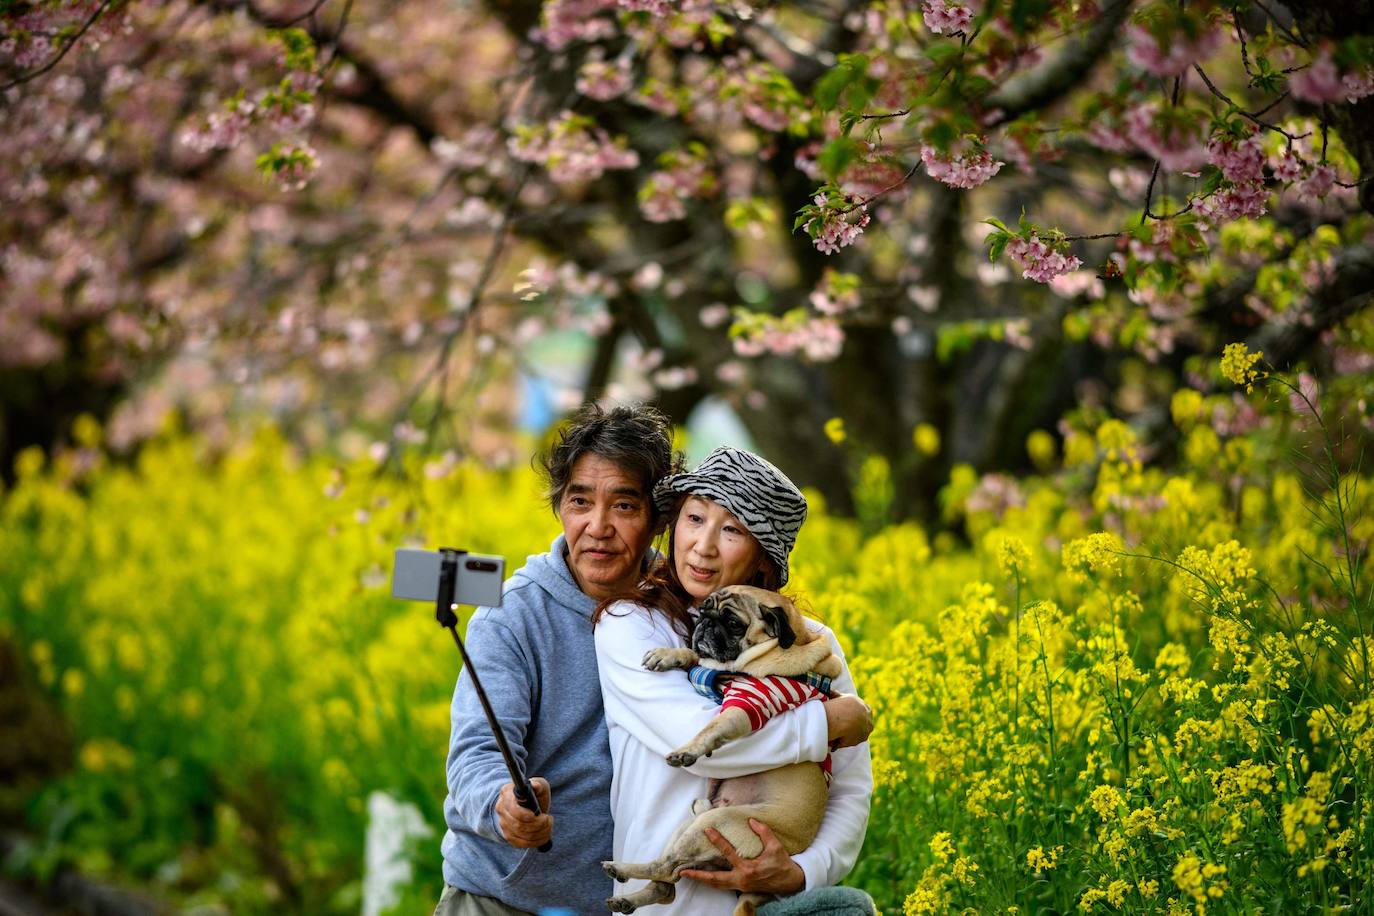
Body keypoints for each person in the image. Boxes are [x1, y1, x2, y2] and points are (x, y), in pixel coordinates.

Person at [593, 445, 876, 916]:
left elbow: (849, 788)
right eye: (695, 518)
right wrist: (826, 722)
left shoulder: (813, 643)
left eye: (731, 530)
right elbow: (699, 744)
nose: (702, 545)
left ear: (763, 558)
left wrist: (804, 871)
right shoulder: (630, 623)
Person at [435, 403, 682, 916]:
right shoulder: (510, 615)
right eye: (580, 501)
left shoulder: (687, 606)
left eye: (624, 506)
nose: (598, 526)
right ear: (559, 507)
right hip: (502, 900)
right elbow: (477, 752)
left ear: (658, 519)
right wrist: (504, 805)